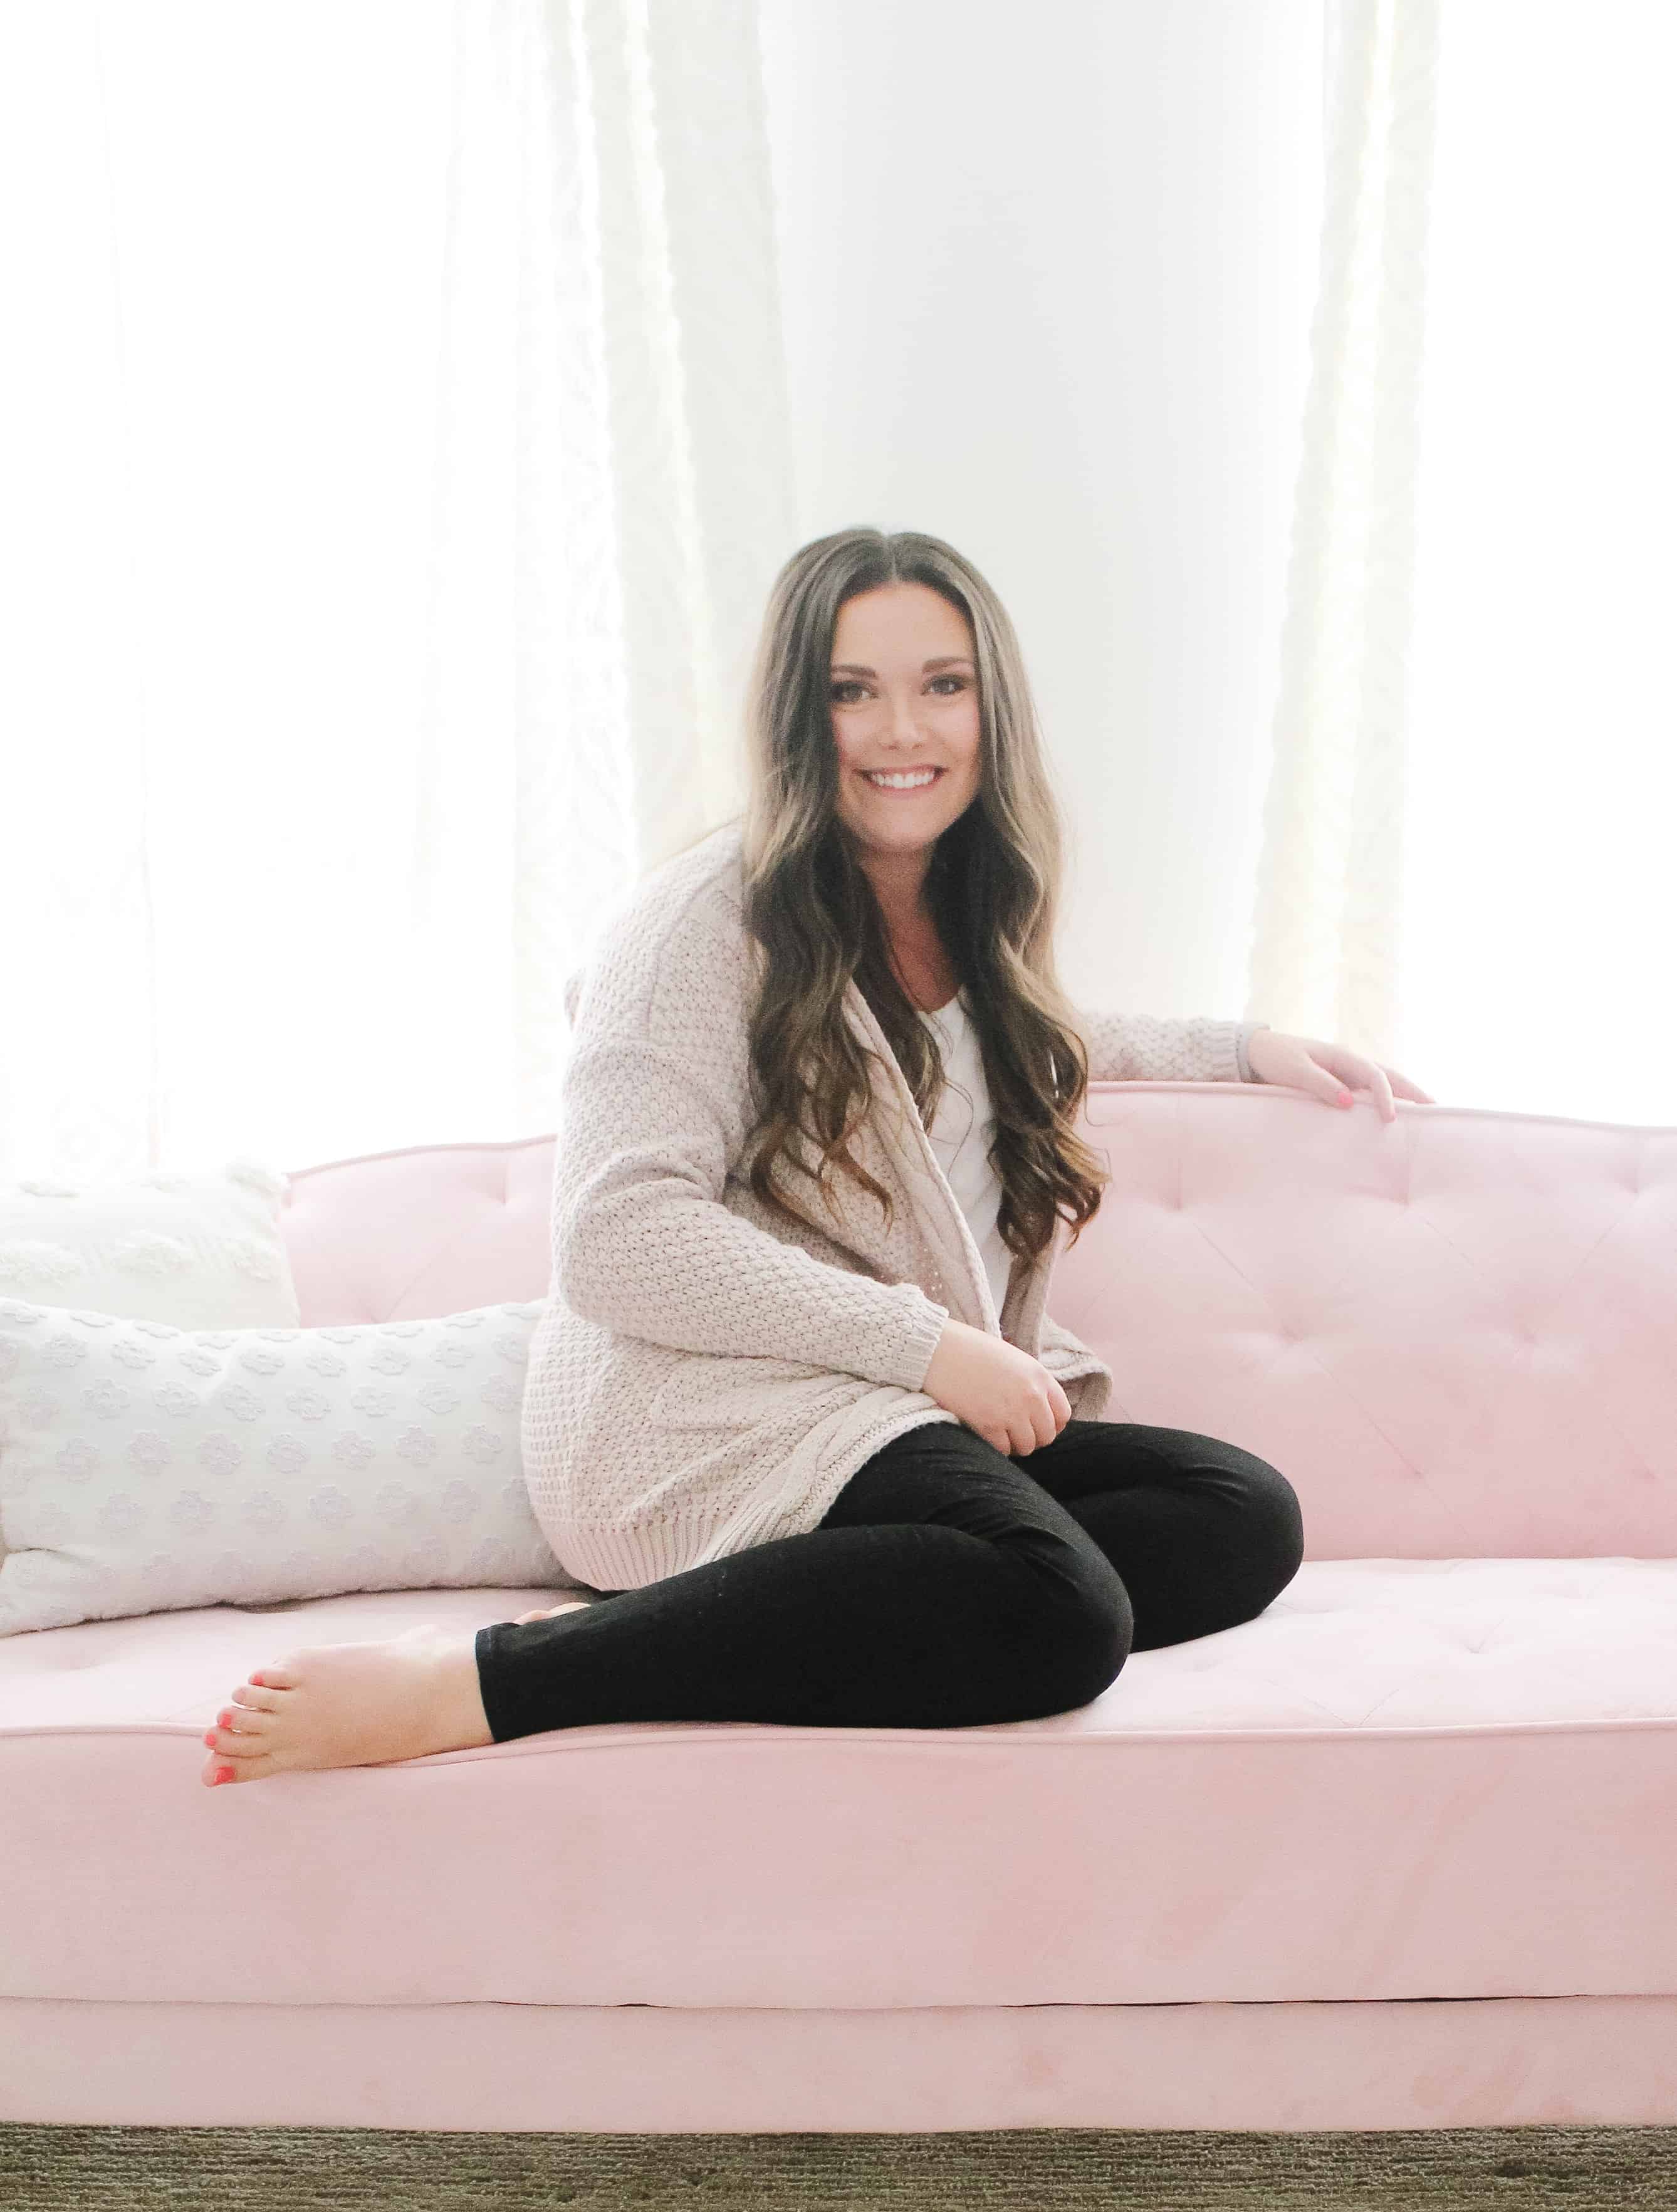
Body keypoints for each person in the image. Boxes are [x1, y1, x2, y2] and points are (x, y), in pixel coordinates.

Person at [199, 527, 1431, 1787]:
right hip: (707, 1415)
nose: (905, 730)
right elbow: (622, 1235)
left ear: (990, 707)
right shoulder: (698, 923)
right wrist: (937, 1347)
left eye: (943, 685)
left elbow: (1009, 1043)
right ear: (800, 712)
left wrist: (1245, 1046)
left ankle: (749, 1612)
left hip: (870, 1410)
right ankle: (486, 1683)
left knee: (1239, 1516)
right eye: (855, 691)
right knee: (1059, 1610)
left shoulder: (959, 908)